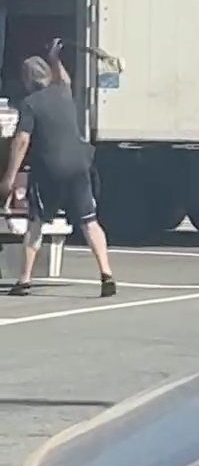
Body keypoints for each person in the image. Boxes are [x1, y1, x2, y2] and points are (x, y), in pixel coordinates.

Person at [0, 39, 116, 297]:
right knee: (90, 221)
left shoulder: (30, 104)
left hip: (50, 169)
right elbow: (62, 76)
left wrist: (9, 177)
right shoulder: (63, 91)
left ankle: (24, 280)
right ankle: (106, 274)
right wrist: (54, 56)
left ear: (26, 79)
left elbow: (22, 141)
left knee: (36, 222)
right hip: (79, 164)